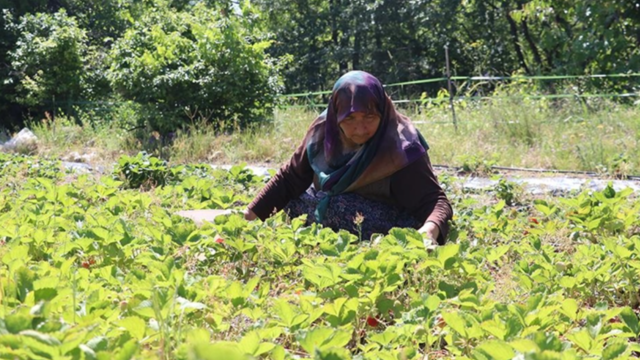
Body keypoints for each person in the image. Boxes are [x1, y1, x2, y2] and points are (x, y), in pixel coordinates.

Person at [242, 70, 453, 246]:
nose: (360, 128)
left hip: (387, 219)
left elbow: (435, 201)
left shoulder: (401, 145)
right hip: (335, 205)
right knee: (293, 198)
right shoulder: (322, 133)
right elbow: (289, 179)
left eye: (370, 117)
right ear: (336, 117)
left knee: (337, 205)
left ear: (382, 112)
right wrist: (246, 219)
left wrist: (429, 231)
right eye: (349, 118)